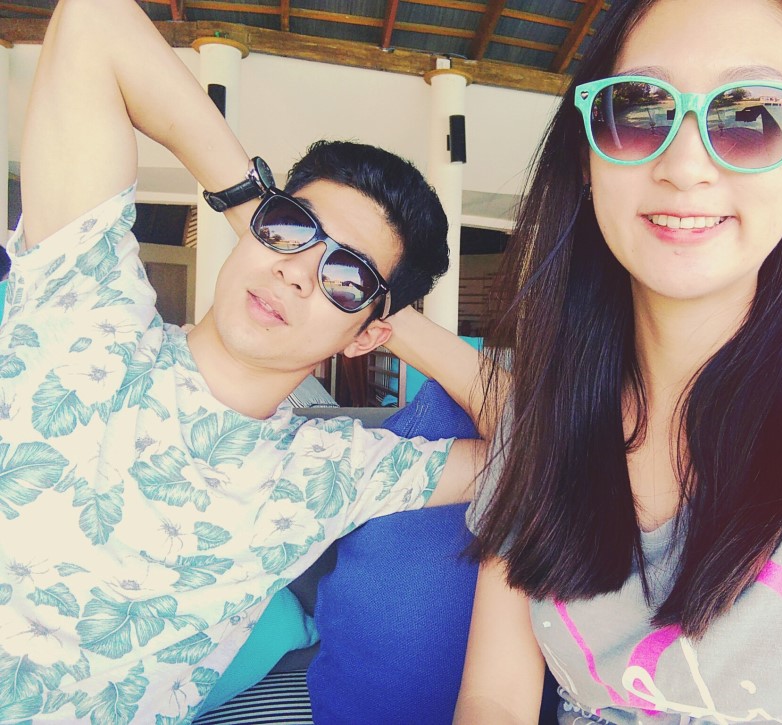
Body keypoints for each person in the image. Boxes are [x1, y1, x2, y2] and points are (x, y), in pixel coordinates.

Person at [392, 0, 782, 722]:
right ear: (588, 154)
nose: (685, 165)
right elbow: (495, 696)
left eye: (752, 116)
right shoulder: (541, 425)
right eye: (639, 109)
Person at [0, 0, 482, 721]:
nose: (297, 271)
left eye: (346, 276)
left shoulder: (331, 473)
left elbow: (560, 451)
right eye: (291, 228)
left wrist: (381, 320)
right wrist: (250, 206)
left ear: (365, 336)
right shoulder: (88, 305)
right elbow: (95, 21)